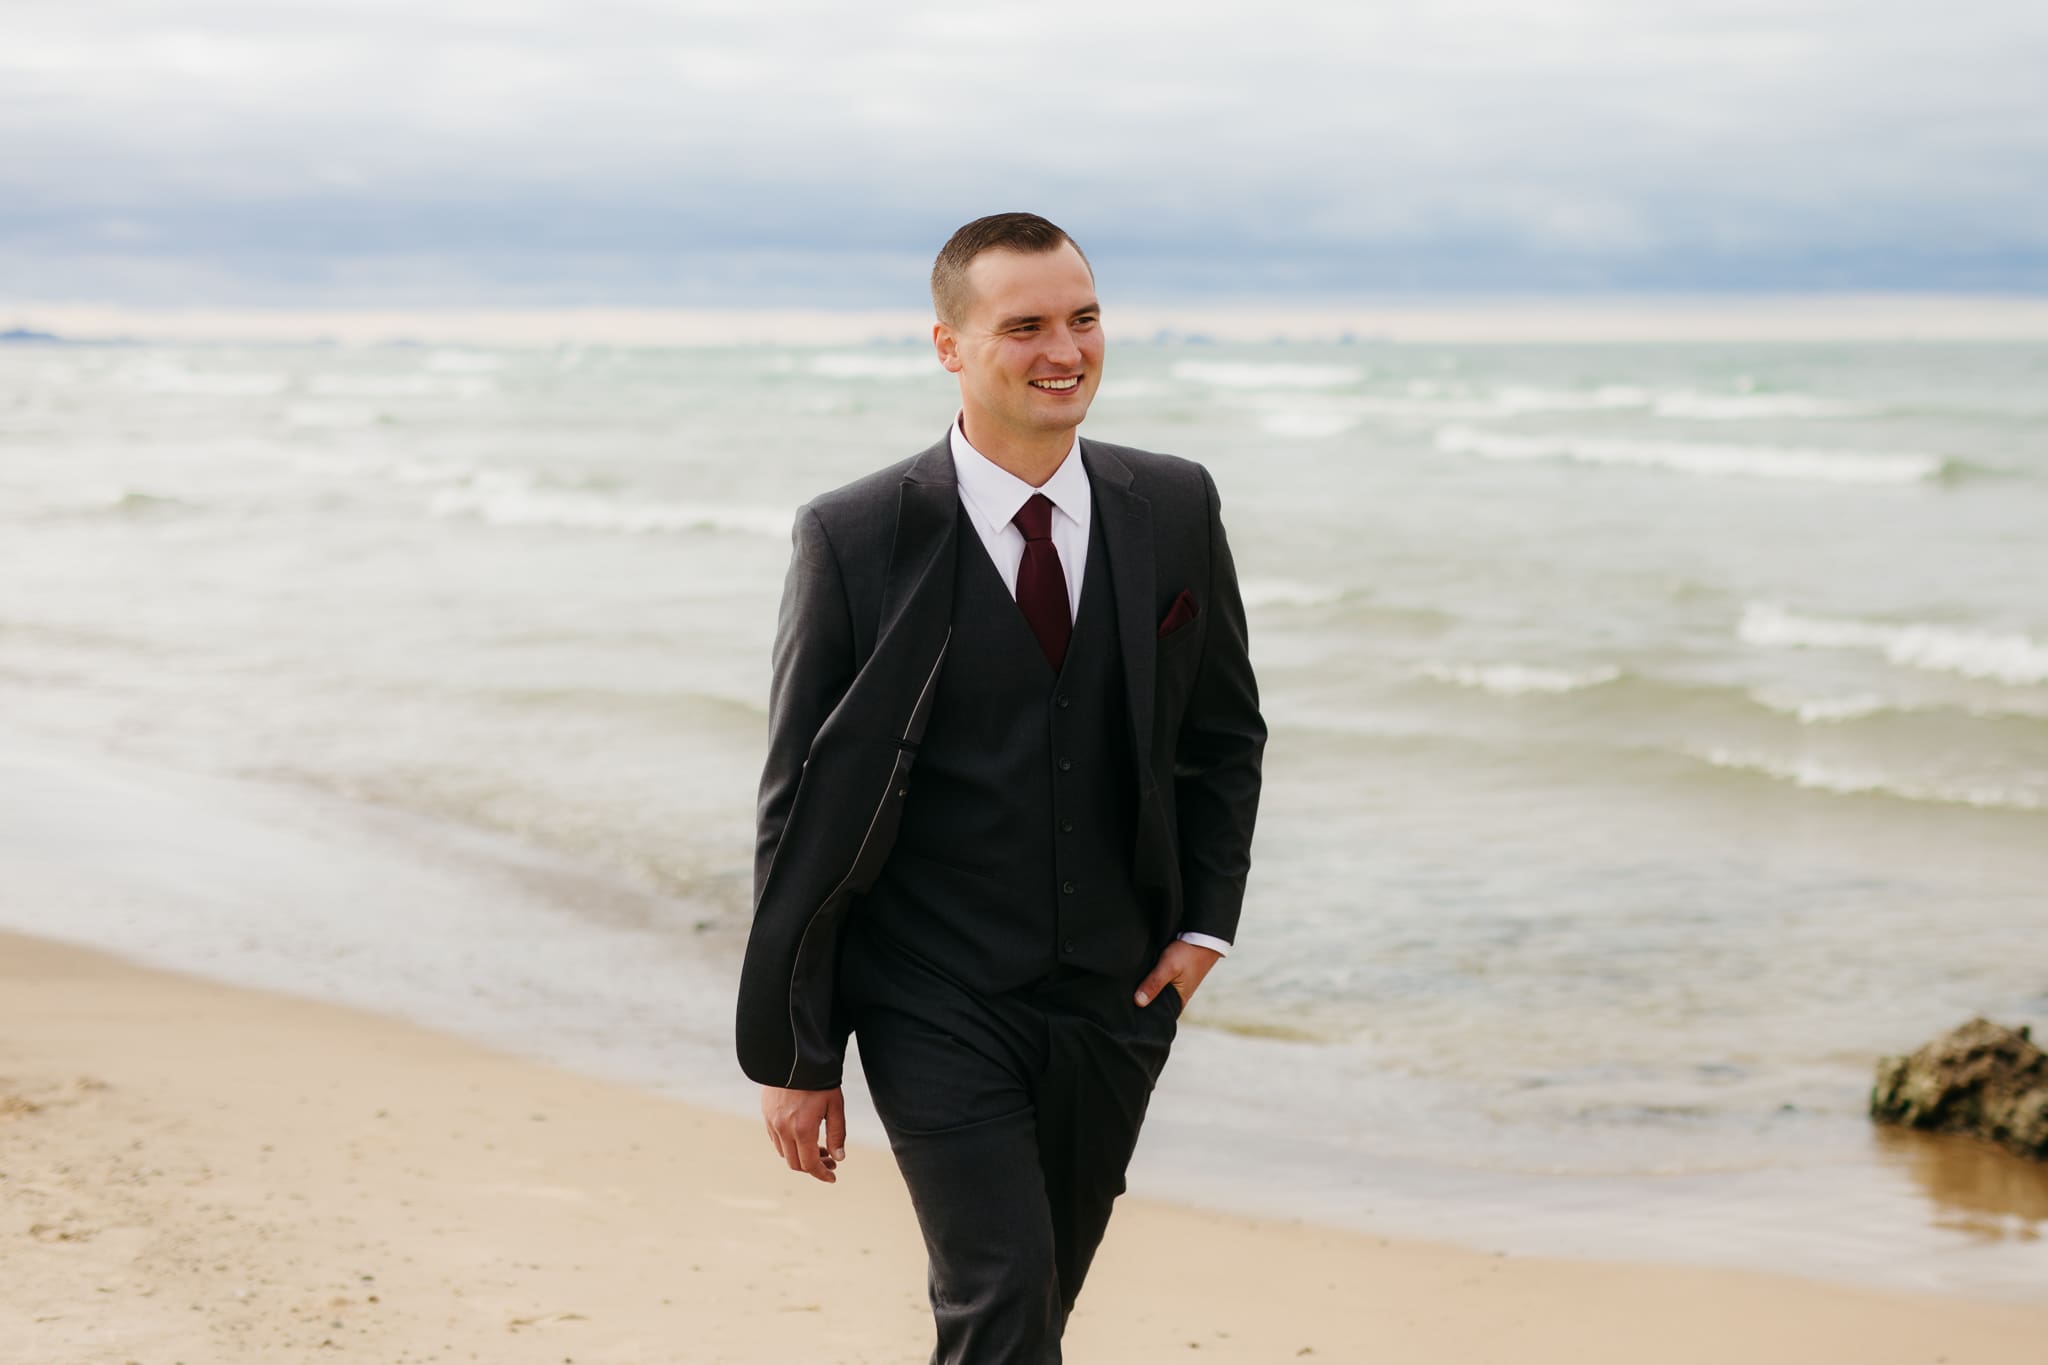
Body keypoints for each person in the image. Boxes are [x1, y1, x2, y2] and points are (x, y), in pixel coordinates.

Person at [735, 211, 1265, 1363]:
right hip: (931, 992)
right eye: (1023, 325)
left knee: (1030, 1301)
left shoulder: (1172, 505)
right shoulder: (855, 534)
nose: (1062, 350)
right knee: (1002, 1291)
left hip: (1117, 1000)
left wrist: (1201, 925)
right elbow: (800, 804)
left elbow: (1221, 735)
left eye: (1082, 318)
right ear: (949, 345)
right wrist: (794, 1052)